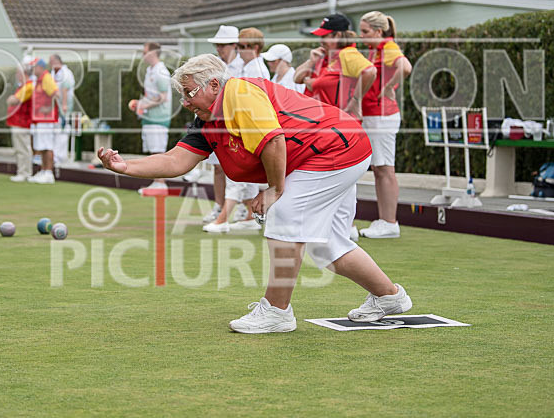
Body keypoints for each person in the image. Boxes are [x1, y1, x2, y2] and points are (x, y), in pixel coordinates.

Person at [97, 54, 412, 334]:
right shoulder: (208, 119)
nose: (187, 102)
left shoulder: (240, 92)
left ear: (215, 85)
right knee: (327, 244)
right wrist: (126, 167)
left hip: (337, 148)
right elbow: (176, 159)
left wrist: (274, 190)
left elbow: (273, 141)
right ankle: (389, 297)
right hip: (340, 147)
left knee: (285, 215)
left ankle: (277, 312)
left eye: (190, 93)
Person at [202, 27, 269, 233]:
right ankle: (249, 214)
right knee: (235, 170)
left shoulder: (253, 68)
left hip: (246, 125)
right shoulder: (245, 65)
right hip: (233, 123)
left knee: (238, 170)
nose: (238, 50)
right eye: (238, 46)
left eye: (242, 46)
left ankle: (224, 218)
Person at [357, 11, 413, 239]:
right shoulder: (375, 50)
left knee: (385, 169)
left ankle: (390, 222)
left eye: (365, 32)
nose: (362, 37)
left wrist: (390, 86)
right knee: (379, 169)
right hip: (374, 114)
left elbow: (406, 67)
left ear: (379, 32)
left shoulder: (388, 46)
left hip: (382, 115)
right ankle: (384, 220)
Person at [197, 25, 244, 222]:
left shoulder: (244, 66)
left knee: (237, 167)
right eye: (217, 45)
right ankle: (219, 206)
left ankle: (243, 208)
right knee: (217, 167)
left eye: (223, 45)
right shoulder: (216, 66)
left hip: (237, 124)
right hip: (217, 123)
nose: (219, 49)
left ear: (234, 45)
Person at [294, 14, 376, 122]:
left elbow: (370, 71)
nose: (321, 41)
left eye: (324, 36)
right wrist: (311, 62)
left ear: (337, 35)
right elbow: (296, 78)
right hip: (325, 124)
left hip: (341, 126)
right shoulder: (327, 56)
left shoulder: (346, 54)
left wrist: (355, 101)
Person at [128, 42, 172, 191]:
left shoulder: (161, 72)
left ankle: (161, 183)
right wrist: (140, 104)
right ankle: (157, 182)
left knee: (158, 151)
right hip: (149, 117)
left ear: (153, 53)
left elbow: (163, 97)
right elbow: (151, 96)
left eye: (144, 52)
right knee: (154, 151)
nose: (142, 55)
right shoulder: (149, 71)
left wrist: (143, 106)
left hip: (159, 118)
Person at [23, 59, 61, 184]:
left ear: (40, 67)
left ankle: (49, 173)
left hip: (46, 119)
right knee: (41, 146)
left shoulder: (46, 78)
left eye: (34, 67)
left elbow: (56, 93)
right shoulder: (38, 80)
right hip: (39, 119)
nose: (33, 69)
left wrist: (49, 108)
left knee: (47, 146)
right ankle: (43, 171)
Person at [6, 67, 32, 182]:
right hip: (17, 121)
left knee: (23, 148)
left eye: (18, 73)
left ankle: (24, 173)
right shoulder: (22, 86)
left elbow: (14, 100)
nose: (17, 75)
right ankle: (22, 172)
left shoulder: (28, 86)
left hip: (22, 122)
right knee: (19, 148)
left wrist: (12, 99)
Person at [50, 54, 75, 168]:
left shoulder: (66, 72)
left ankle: (61, 156)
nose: (50, 63)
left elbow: (65, 89)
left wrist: (64, 105)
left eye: (51, 61)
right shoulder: (53, 72)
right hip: (55, 107)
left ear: (57, 61)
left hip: (64, 107)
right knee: (56, 131)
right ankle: (55, 156)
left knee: (63, 131)